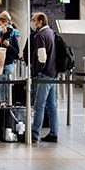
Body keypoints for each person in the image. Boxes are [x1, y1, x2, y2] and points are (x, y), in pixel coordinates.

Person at [30, 12, 58, 143]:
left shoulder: (40, 35)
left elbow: (42, 58)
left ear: (40, 21)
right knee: (51, 106)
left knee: (39, 105)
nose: (32, 22)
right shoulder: (51, 33)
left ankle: (34, 134)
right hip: (53, 73)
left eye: (34, 20)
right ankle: (54, 133)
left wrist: (37, 71)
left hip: (44, 74)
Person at [0, 16, 20, 106]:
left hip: (8, 63)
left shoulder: (12, 35)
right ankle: (2, 102)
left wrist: (9, 46)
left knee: (8, 83)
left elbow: (16, 52)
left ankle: (10, 102)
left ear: (5, 24)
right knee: (1, 84)